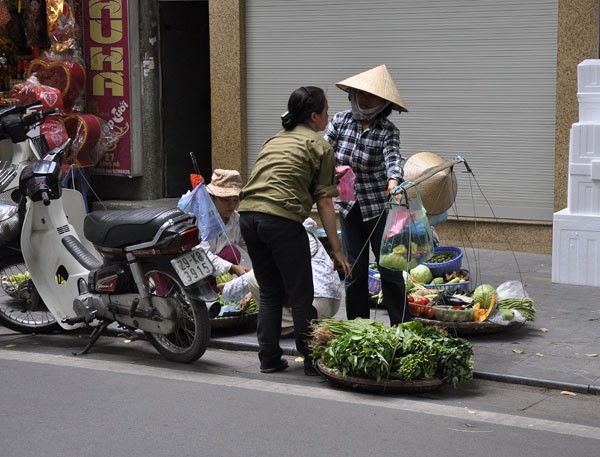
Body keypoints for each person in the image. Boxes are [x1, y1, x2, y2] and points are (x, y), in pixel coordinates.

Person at [238, 86, 352, 376]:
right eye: (326, 111)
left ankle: (269, 358)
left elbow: (278, 176)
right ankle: (312, 361)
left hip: (249, 216)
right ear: (314, 116)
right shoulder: (320, 145)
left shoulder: (274, 139)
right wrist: (337, 250)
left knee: (270, 291)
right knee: (302, 295)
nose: (328, 116)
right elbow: (325, 202)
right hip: (281, 221)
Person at [323, 64, 409, 326]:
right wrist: (327, 172)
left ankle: (402, 326)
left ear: (382, 102)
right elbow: (323, 151)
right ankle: (358, 327)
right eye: (360, 93)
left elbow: (393, 159)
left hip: (377, 207)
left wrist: (394, 181)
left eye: (370, 95)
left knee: (389, 269)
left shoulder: (387, 130)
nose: (363, 99)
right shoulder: (340, 121)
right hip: (349, 207)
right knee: (354, 271)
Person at [220, 218, 342, 337]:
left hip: (315, 305)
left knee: (254, 277)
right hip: (330, 304)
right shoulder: (303, 231)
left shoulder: (287, 235)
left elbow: (265, 272)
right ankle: (303, 321)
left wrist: (227, 289)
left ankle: (288, 323)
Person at [200, 169, 250, 287]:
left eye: (235, 200)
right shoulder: (203, 220)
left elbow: (249, 243)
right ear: (212, 198)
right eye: (225, 200)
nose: (232, 205)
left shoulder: (235, 219)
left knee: (232, 252)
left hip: (217, 267)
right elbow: (202, 254)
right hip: (197, 267)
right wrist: (232, 267)